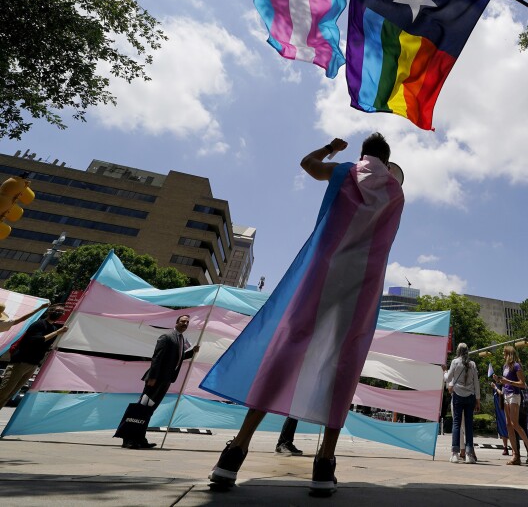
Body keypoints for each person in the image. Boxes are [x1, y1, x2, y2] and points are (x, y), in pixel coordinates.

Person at [201, 134, 405, 496]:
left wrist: (331, 149)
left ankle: (235, 451)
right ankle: (324, 464)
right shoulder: (396, 192)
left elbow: (307, 165)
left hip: (322, 272)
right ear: (387, 161)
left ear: (363, 155)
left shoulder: (345, 172)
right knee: (345, 360)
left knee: (286, 348)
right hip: (362, 283)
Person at [119, 313, 199, 449]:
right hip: (155, 380)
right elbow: (157, 357)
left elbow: (176, 357)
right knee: (141, 409)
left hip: (166, 380)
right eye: (183, 321)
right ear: (176, 322)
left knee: (149, 410)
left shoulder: (180, 340)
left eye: (187, 323)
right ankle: (128, 439)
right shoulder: (167, 337)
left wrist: (191, 353)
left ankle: (140, 438)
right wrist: (153, 377)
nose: (185, 324)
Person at [0, 304, 67, 408]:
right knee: (4, 392)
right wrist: (57, 332)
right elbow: (36, 340)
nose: (59, 313)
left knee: (10, 395)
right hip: (21, 362)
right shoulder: (39, 324)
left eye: (61, 312)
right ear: (50, 311)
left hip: (33, 365)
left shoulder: (53, 328)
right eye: (57, 311)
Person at [493, 345, 528, 466]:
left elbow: (522, 384)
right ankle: (515, 455)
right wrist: (499, 380)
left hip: (514, 395)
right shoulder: (505, 366)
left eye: (504, 353)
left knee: (515, 424)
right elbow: (505, 382)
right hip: (506, 395)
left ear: (509, 354)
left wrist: (508, 382)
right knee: (508, 425)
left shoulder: (517, 365)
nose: (503, 355)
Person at [445, 342, 480, 464]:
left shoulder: (455, 362)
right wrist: (478, 399)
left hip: (458, 395)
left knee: (456, 424)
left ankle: (454, 453)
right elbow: (476, 382)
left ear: (458, 351)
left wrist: (444, 372)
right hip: (470, 396)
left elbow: (448, 378)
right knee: (469, 425)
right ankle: (469, 455)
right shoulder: (472, 364)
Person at [491, 381, 511, 456]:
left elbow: (501, 393)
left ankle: (514, 449)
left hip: (505, 409)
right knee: (502, 429)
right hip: (499, 410)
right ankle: (505, 448)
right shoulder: (497, 385)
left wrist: (495, 388)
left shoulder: (505, 385)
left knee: (509, 428)